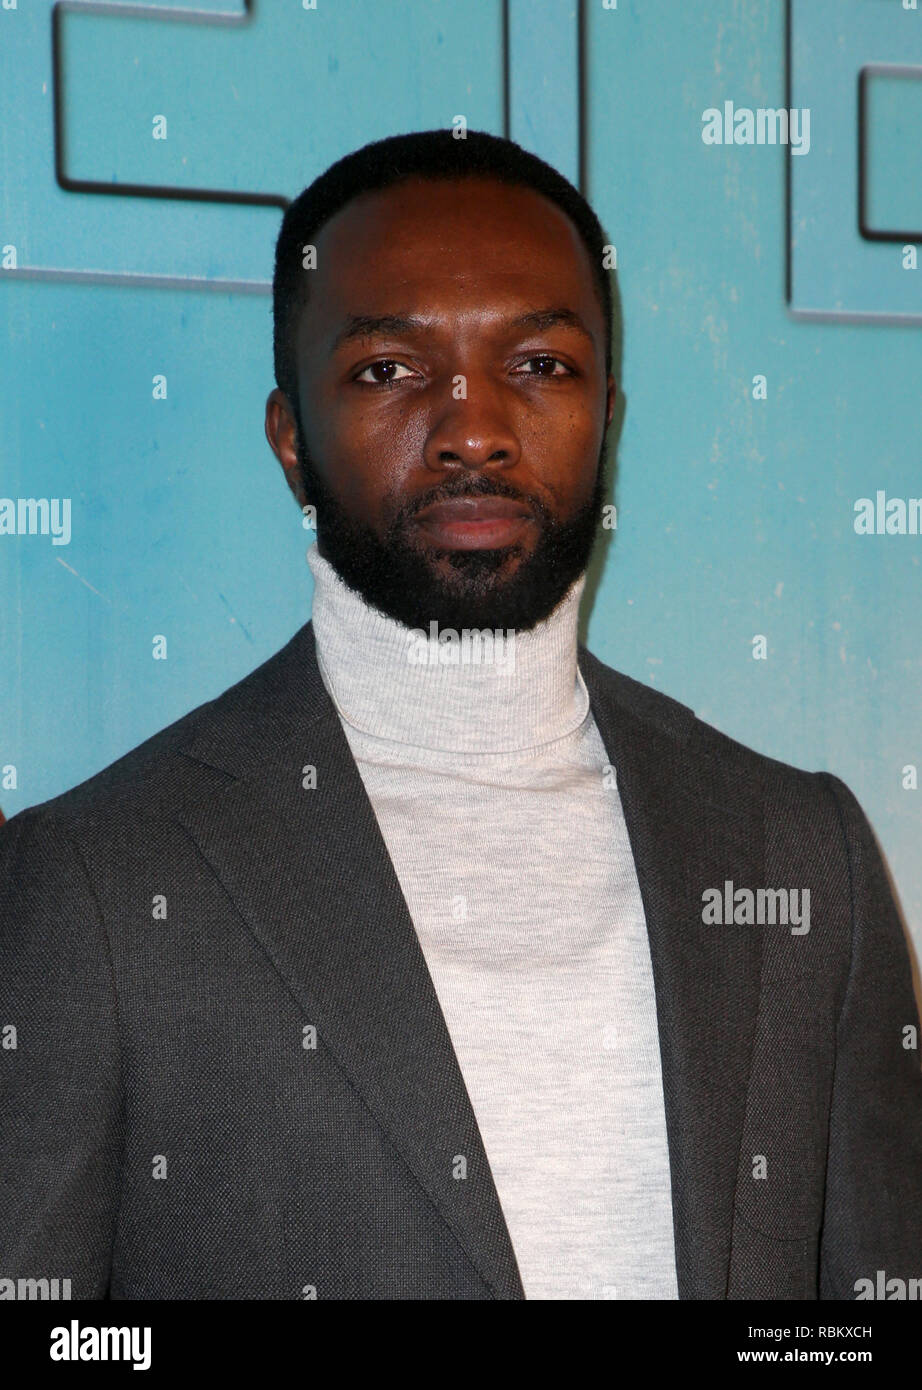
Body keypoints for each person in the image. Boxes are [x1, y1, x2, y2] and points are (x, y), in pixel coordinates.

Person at [1, 129, 920, 1301]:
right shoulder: (96, 877)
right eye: (389, 369)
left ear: (609, 419)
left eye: (538, 365)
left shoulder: (802, 853)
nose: (473, 426)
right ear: (289, 437)